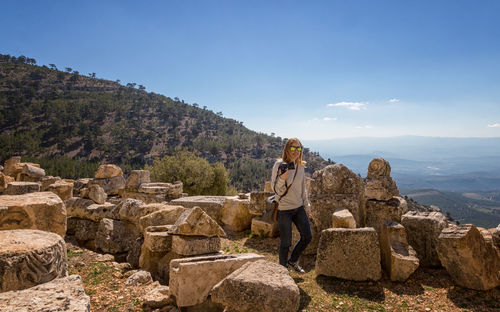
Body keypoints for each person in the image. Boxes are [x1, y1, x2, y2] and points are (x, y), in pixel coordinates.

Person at [271, 137, 312, 273]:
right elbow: (276, 190)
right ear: (287, 149)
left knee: (307, 236)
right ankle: (283, 271)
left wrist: (307, 206)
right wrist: (283, 178)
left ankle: (293, 261)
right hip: (284, 210)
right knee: (285, 243)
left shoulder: (300, 166)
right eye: (293, 148)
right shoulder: (279, 165)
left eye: (298, 148)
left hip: (298, 207)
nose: (296, 151)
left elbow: (303, 189)